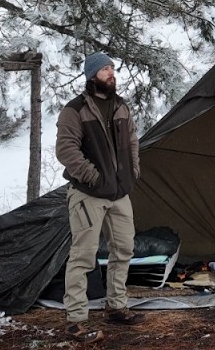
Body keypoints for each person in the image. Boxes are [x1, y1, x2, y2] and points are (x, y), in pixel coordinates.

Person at [55, 51, 144, 344]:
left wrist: (132, 172)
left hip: (120, 194)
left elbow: (132, 141)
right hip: (88, 194)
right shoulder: (75, 110)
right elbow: (66, 151)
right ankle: (76, 320)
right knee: (83, 256)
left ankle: (116, 306)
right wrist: (93, 176)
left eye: (112, 67)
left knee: (124, 250)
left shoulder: (120, 107)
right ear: (92, 74)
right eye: (106, 68)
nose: (111, 72)